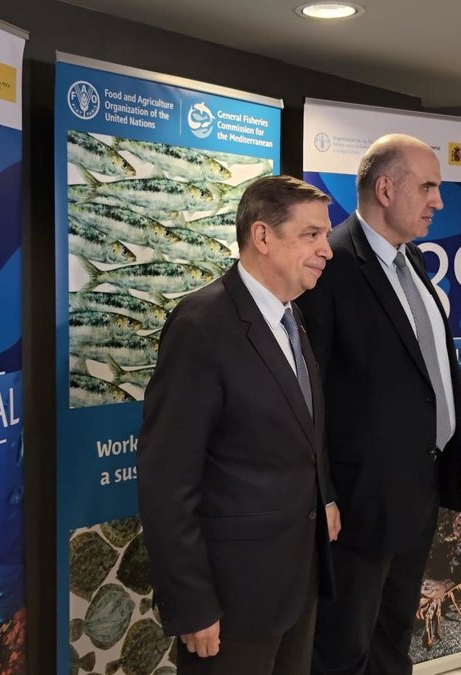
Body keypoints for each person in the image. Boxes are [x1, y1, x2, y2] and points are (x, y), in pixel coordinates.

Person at [138, 175, 341, 675]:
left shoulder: (291, 317)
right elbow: (167, 480)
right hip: (232, 601)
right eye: (311, 235)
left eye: (325, 235)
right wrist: (191, 602)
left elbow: (300, 429)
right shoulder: (201, 325)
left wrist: (325, 495)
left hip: (295, 584)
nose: (327, 249)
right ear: (263, 236)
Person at [296, 134, 461, 675]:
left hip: (416, 491)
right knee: (343, 649)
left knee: (393, 642)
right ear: (386, 189)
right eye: (428, 187)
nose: (438, 201)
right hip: (358, 506)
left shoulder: (409, 257)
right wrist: (324, 493)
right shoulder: (331, 266)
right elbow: (308, 396)